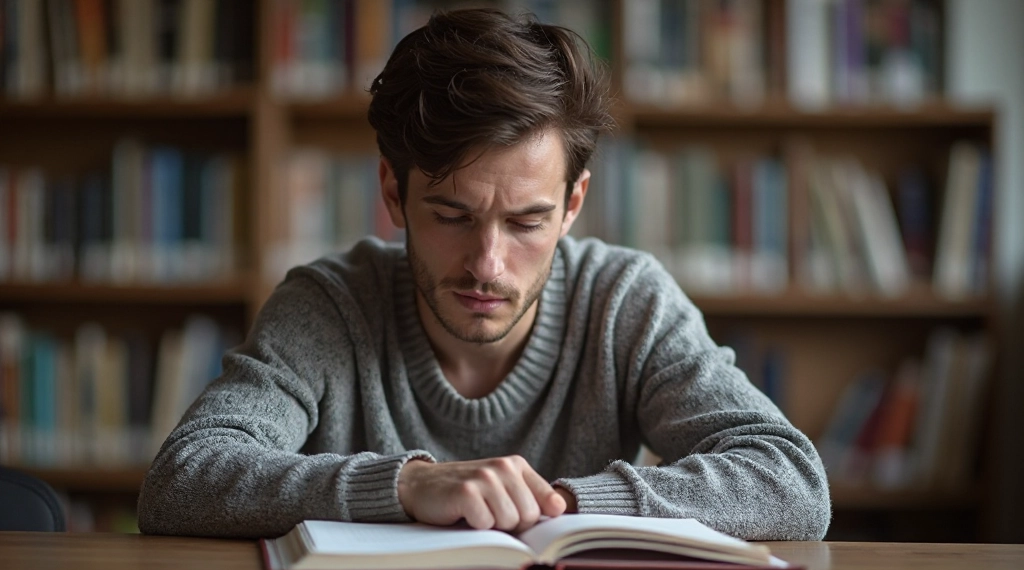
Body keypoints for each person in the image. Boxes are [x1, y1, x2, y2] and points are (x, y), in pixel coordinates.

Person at [137, 8, 830, 540]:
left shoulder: (627, 301)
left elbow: (791, 482)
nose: (487, 265)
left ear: (572, 205)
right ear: (392, 192)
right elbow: (180, 482)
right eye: (451, 214)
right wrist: (407, 486)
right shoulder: (328, 304)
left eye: (526, 222)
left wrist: (565, 505)